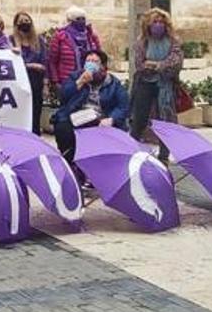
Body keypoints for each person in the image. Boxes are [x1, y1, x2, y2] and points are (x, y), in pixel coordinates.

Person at [51, 49, 129, 185]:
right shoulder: (76, 77)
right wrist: (79, 83)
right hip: (77, 116)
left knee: (100, 133)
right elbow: (63, 97)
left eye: (95, 61)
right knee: (63, 127)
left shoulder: (113, 84)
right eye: (88, 61)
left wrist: (112, 118)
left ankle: (93, 173)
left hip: (100, 118)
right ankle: (72, 167)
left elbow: (123, 106)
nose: (91, 64)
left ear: (104, 67)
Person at [128, 9, 182, 162]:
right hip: (144, 83)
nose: (158, 25)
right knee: (139, 119)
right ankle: (133, 150)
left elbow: (175, 62)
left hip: (165, 85)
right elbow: (140, 64)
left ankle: (164, 156)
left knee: (164, 120)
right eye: (155, 22)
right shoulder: (142, 42)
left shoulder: (173, 41)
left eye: (161, 22)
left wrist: (156, 65)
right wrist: (161, 65)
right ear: (148, 25)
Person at [47, 6, 101, 91]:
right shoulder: (60, 37)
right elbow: (52, 60)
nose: (81, 21)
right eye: (78, 19)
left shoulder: (91, 36)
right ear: (71, 20)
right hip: (67, 80)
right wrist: (55, 81)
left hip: (90, 79)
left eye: (83, 18)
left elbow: (100, 56)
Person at [11, 12, 49, 133]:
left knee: (36, 110)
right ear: (16, 24)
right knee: (21, 110)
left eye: (27, 21)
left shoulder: (39, 40)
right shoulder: (11, 40)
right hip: (19, 81)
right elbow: (11, 61)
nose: (24, 23)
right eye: (21, 21)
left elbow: (45, 62)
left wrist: (46, 84)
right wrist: (30, 65)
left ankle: (35, 136)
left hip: (36, 81)